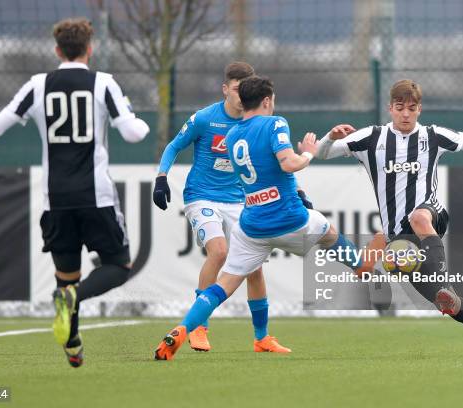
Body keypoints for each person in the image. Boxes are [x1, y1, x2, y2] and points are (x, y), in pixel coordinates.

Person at [0, 18, 150, 367]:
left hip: (55, 200)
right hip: (96, 197)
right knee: (118, 266)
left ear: (57, 50)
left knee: (65, 275)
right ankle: (72, 297)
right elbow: (133, 134)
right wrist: (140, 121)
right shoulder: (103, 84)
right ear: (91, 48)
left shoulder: (38, 85)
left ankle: (72, 345)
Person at [154, 76, 362, 361]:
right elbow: (289, 163)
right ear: (267, 101)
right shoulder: (275, 123)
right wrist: (309, 154)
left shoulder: (232, 136)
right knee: (330, 234)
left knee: (224, 285)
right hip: (289, 219)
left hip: (252, 225)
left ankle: (183, 328)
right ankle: (363, 268)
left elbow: (261, 170)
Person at [316, 79, 463, 358]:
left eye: (411, 108)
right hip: (397, 236)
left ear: (419, 109)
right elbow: (322, 153)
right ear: (390, 108)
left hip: (430, 216)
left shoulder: (432, 136)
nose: (405, 114)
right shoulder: (370, 138)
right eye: (400, 108)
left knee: (418, 217)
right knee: (448, 304)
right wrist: (330, 137)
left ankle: (439, 274)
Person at [153, 62, 295, 353]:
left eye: (245, 90)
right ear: (224, 89)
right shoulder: (205, 118)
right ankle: (199, 328)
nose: (241, 96)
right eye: (235, 90)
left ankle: (261, 338)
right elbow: (173, 146)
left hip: (239, 200)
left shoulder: (254, 124)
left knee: (253, 268)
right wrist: (161, 177)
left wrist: (299, 191)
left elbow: (274, 164)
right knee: (219, 252)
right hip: (202, 196)